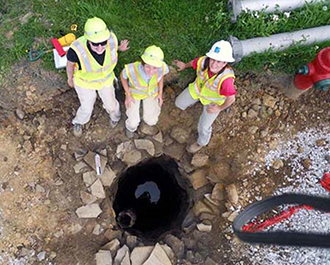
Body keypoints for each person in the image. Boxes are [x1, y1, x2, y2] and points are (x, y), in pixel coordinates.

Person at [66, 17, 129, 137]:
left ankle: (115, 117)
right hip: (85, 82)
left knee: (111, 105)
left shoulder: (112, 39)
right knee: (86, 107)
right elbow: (69, 66)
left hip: (105, 79)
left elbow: (113, 46)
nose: (100, 48)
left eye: (103, 43)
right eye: (95, 44)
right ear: (88, 39)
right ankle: (79, 121)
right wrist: (70, 78)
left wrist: (119, 48)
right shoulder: (76, 50)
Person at [173, 40, 236, 153]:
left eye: (218, 61)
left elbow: (231, 99)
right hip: (197, 90)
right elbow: (194, 62)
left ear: (224, 63)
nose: (214, 64)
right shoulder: (203, 61)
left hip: (212, 102)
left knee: (203, 127)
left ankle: (200, 143)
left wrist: (219, 108)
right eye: (212, 59)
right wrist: (184, 65)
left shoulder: (226, 80)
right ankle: (192, 104)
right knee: (178, 104)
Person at [120, 45, 169, 138]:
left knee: (151, 121)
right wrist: (128, 94)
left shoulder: (162, 67)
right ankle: (131, 129)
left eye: (155, 68)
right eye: (148, 67)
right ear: (143, 63)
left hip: (151, 93)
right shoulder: (131, 69)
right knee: (133, 122)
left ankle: (145, 118)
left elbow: (161, 76)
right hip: (135, 94)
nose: (151, 71)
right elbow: (122, 77)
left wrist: (160, 94)